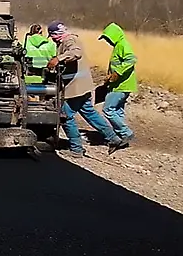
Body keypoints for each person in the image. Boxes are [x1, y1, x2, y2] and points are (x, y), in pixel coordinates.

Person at [45, 21, 127, 157]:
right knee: (89, 113)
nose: (52, 39)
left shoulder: (69, 40)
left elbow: (76, 52)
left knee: (65, 115)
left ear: (56, 34)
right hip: (83, 86)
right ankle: (113, 138)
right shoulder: (64, 41)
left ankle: (76, 149)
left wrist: (58, 59)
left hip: (75, 87)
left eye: (52, 36)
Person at [97, 23, 138, 144]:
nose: (107, 42)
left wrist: (117, 73)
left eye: (108, 38)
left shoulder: (123, 45)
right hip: (120, 85)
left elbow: (131, 59)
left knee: (108, 110)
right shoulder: (118, 46)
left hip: (122, 85)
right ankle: (121, 135)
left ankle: (126, 133)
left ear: (114, 36)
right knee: (118, 110)